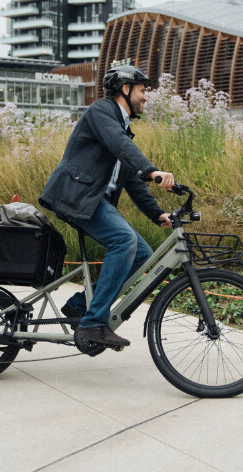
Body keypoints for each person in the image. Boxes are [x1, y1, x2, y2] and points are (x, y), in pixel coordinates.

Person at [39, 64, 175, 348]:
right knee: (123, 240)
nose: (146, 97)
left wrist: (156, 213)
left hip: (92, 200)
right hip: (76, 196)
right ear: (125, 89)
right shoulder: (102, 112)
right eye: (142, 91)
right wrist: (153, 171)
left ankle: (81, 306)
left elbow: (132, 180)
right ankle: (93, 325)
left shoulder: (121, 126)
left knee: (141, 254)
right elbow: (120, 145)